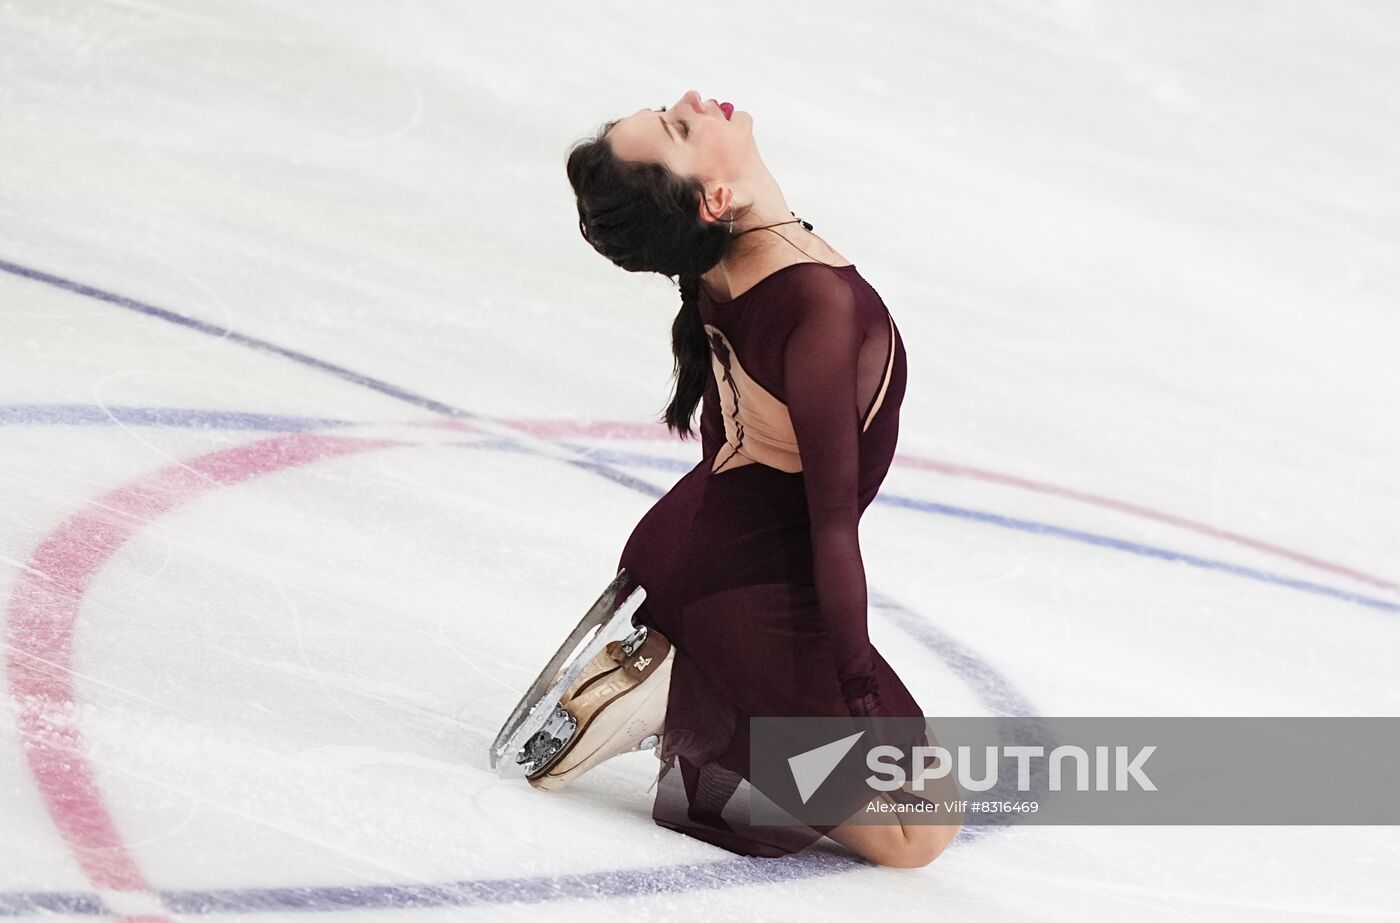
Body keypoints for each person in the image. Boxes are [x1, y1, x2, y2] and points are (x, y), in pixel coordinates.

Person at [550, 89, 959, 867]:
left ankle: (694, 660)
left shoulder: (714, 262)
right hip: (748, 586)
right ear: (716, 197)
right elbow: (832, 527)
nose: (693, 101)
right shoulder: (816, 302)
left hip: (697, 544)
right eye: (678, 126)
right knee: (921, 829)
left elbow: (725, 438)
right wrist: (857, 686)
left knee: (899, 783)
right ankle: (672, 689)